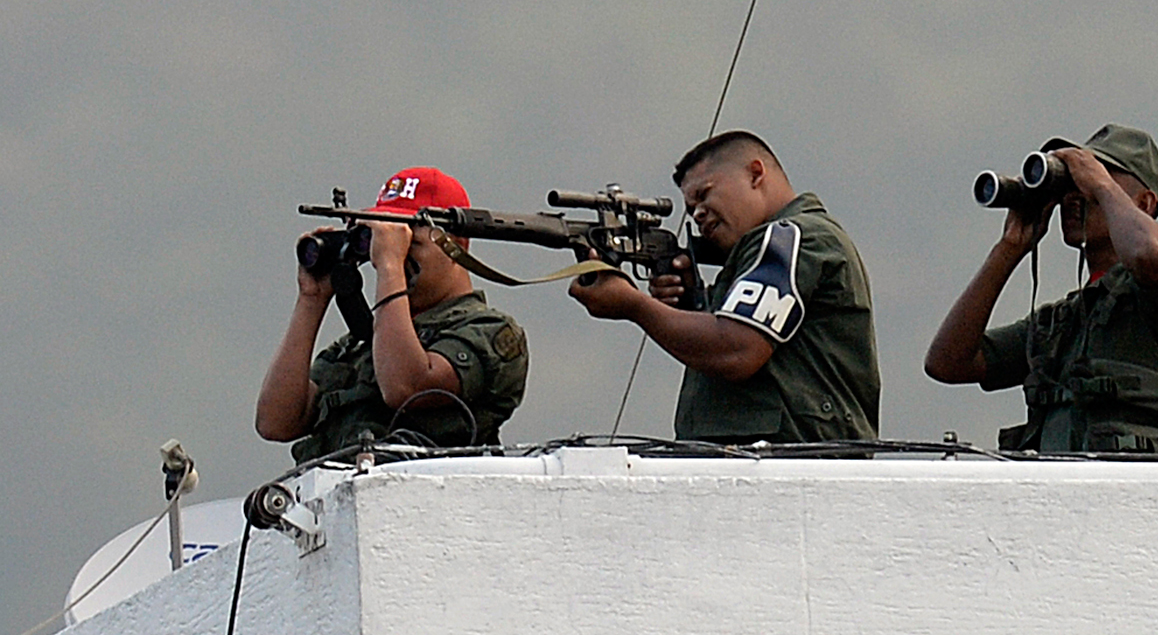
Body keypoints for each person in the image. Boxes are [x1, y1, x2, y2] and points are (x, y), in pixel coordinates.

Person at [924, 124, 1158, 454]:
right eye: (1068, 185)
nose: (1075, 195)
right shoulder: (1061, 324)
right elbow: (948, 363)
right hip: (1071, 500)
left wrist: (1098, 184)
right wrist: (1008, 249)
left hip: (1153, 497)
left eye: (1093, 180)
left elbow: (1149, 255)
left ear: (1144, 203)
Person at [568, 131, 880, 444]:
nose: (698, 213)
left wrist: (633, 305)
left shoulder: (792, 237)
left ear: (755, 173)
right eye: (691, 209)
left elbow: (738, 349)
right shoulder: (771, 248)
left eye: (704, 194)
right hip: (768, 463)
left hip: (795, 463)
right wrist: (692, 307)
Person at [256, 167, 528, 462]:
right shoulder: (364, 343)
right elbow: (276, 422)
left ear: (457, 245)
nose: (393, 254)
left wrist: (389, 267)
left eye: (410, 242)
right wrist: (312, 298)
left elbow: (405, 387)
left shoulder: (490, 330)